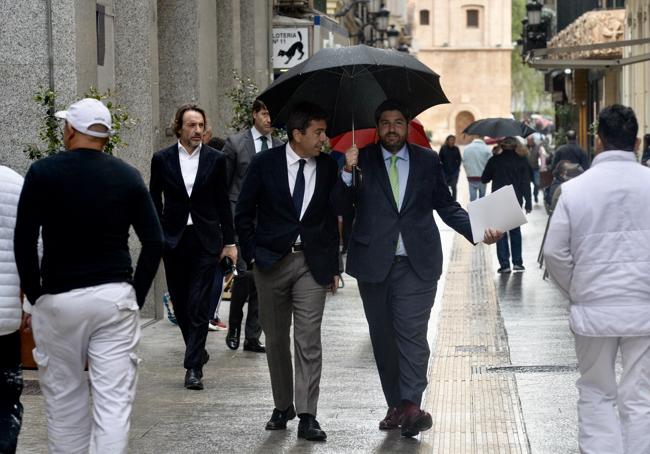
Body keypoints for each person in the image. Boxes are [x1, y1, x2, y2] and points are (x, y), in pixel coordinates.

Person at [333, 99, 501, 438]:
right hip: (372, 263)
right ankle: (396, 405)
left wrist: (480, 229)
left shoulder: (427, 159)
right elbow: (337, 207)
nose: (392, 128)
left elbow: (446, 204)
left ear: (408, 126)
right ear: (377, 127)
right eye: (386, 123)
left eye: (398, 122)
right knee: (383, 337)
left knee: (411, 333)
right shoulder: (360, 160)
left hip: (416, 262)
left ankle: (411, 403)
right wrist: (346, 172)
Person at [14, 98, 164, 453]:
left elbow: (23, 240)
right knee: (113, 403)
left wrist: (35, 295)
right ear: (105, 136)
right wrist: (135, 295)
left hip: (58, 298)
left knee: (64, 401)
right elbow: (155, 241)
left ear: (70, 130)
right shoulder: (127, 175)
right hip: (113, 297)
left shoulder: (43, 172)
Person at [544, 104, 650, 454]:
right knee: (640, 398)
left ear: (599, 141)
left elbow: (554, 252)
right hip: (644, 311)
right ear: (635, 142)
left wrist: (579, 287)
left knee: (595, 392)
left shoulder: (575, 190)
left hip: (593, 311)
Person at [235, 102, 339, 441]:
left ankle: (308, 413)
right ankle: (283, 405)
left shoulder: (328, 166)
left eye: (324, 132)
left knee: (308, 339)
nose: (324, 138)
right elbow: (244, 211)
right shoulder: (265, 164)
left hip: (311, 264)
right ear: (297, 134)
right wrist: (251, 255)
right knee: (276, 339)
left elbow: (338, 211)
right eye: (318, 132)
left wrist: (349, 172)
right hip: (270, 263)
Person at [149, 104, 236, 390]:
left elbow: (223, 203)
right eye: (191, 125)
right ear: (179, 128)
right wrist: (158, 234)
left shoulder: (215, 159)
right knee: (182, 303)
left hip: (205, 240)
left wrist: (230, 242)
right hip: (173, 240)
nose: (197, 130)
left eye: (200, 125)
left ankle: (193, 368)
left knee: (199, 304)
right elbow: (154, 201)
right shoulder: (161, 159)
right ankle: (197, 350)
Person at [223, 99, 283, 352]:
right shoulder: (236, 144)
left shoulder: (280, 146)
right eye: (265, 113)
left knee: (263, 279)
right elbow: (224, 186)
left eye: (272, 115)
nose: (269, 119)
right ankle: (234, 325)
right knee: (245, 276)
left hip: (267, 224)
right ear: (254, 115)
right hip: (241, 220)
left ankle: (252, 336)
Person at [481, 136, 532, 273]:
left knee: (500, 232)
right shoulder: (522, 161)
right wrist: (528, 202)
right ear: (515, 146)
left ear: (501, 146)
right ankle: (518, 263)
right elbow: (526, 183)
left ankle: (504, 265)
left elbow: (484, 178)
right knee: (515, 231)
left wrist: (494, 156)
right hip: (515, 199)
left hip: (498, 200)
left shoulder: (495, 161)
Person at [0, 165, 24, 454]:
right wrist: (31, 303)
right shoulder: (13, 181)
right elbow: (36, 244)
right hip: (5, 318)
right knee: (5, 404)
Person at [462, 135, 492, 201]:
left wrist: (468, 172)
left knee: (472, 199)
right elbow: (490, 163)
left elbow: (464, 162)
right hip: (483, 177)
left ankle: (472, 211)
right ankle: (481, 210)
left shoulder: (467, 148)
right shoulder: (486, 148)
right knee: (482, 198)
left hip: (471, 176)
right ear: (483, 138)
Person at [439, 135, 462, 201]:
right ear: (447, 141)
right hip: (444, 172)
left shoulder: (456, 149)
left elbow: (459, 159)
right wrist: (442, 170)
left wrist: (457, 169)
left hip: (454, 173)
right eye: (451, 140)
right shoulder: (443, 148)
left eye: (453, 140)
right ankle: (445, 201)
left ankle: (454, 201)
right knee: (445, 188)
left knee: (454, 188)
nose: (452, 141)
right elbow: (439, 159)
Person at [527, 133, 546, 203]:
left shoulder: (538, 147)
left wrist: (542, 168)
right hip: (527, 169)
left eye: (531, 140)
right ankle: (528, 198)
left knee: (537, 183)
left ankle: (535, 195)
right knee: (526, 184)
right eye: (528, 140)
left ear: (533, 140)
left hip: (535, 168)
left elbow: (542, 157)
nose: (529, 142)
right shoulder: (525, 148)